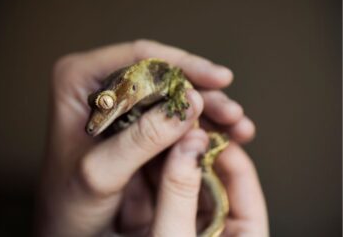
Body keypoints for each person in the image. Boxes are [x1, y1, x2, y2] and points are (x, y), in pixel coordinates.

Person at [36, 40, 269, 237]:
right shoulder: (138, 94)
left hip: (194, 150)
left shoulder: (158, 77)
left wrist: (177, 99)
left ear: (131, 86)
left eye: (107, 103)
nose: (95, 119)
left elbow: (178, 78)